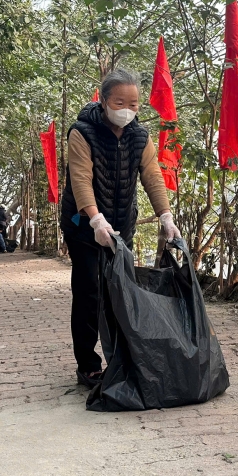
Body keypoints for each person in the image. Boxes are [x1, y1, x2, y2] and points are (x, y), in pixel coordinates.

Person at [59, 69, 183, 389]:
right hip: (83, 226)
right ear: (103, 101)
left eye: (134, 104)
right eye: (119, 103)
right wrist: (95, 220)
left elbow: (152, 176)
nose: (127, 109)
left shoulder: (139, 136)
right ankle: (88, 365)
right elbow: (81, 179)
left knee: (118, 292)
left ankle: (120, 359)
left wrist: (166, 216)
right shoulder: (82, 133)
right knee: (89, 291)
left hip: (121, 228)